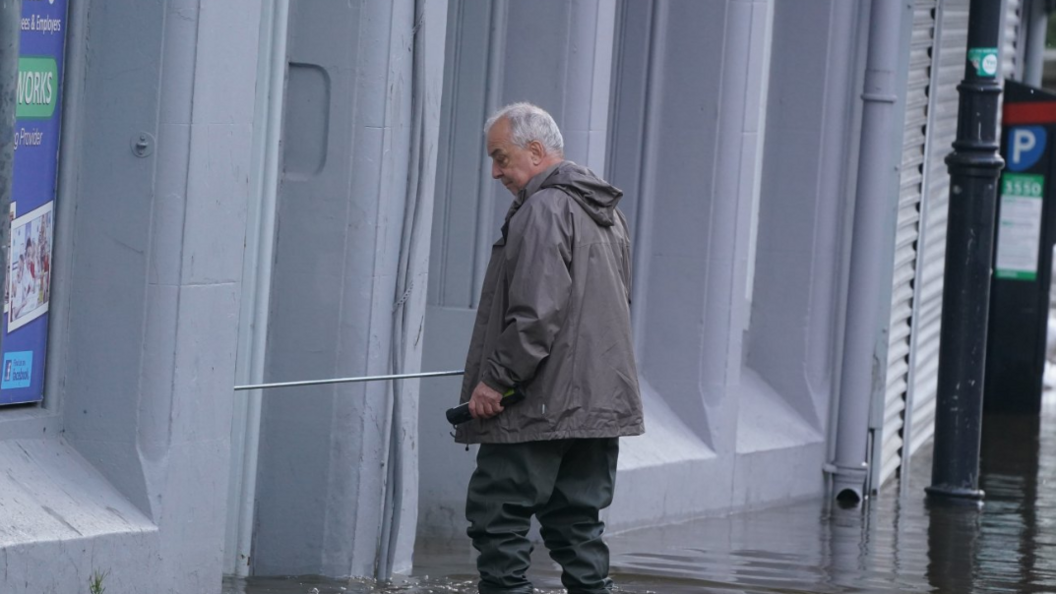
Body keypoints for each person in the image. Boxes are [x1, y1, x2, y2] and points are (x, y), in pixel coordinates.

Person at [455, 102, 644, 594]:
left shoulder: (544, 208)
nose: (496, 172)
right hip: (599, 403)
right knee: (577, 521)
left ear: (535, 151)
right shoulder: (606, 212)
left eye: (501, 158)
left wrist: (496, 379)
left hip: (540, 404)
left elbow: (537, 312)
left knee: (498, 516)